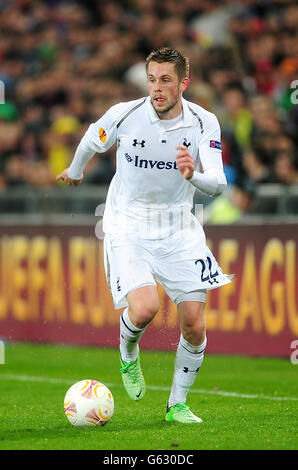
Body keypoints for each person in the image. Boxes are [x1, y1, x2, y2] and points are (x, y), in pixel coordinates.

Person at [57, 47, 232, 424]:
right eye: (152, 79)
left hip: (179, 228)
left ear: (184, 82)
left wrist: (192, 176)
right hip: (128, 225)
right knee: (145, 308)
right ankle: (128, 349)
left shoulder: (204, 122)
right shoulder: (126, 114)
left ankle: (176, 405)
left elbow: (217, 183)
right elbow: (91, 138)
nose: (157, 88)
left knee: (195, 325)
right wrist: (74, 171)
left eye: (166, 80)